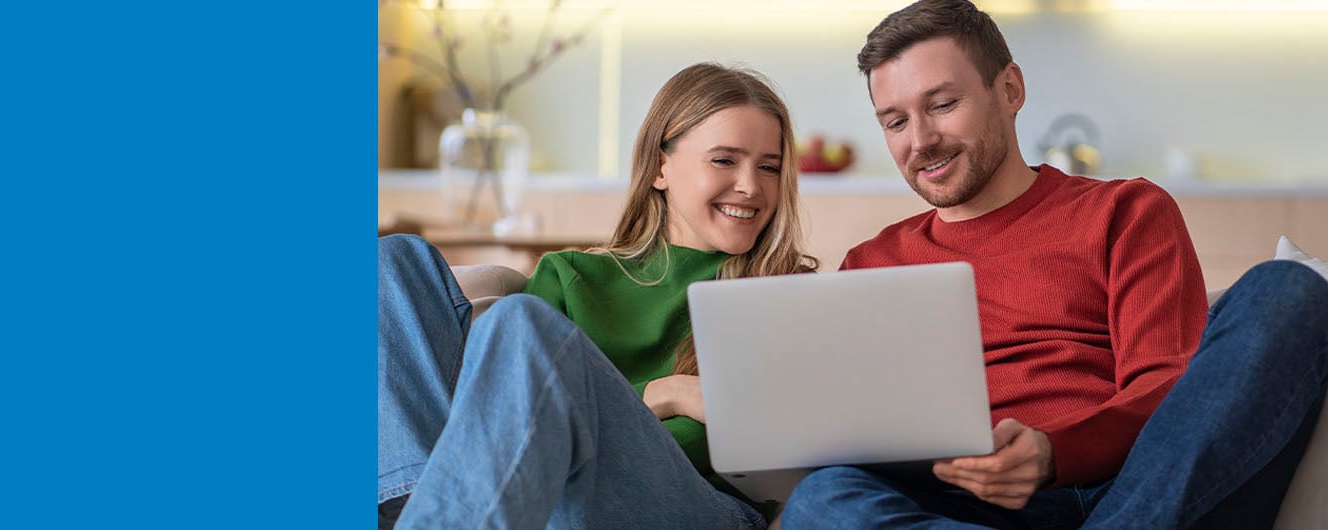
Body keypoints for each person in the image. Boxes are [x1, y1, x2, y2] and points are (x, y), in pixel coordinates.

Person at [778, 1, 1328, 528]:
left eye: (943, 105)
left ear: (1010, 89)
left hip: (1134, 487)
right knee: (822, 502)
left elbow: (1169, 388)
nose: (920, 141)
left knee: (1287, 291)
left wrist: (1051, 451)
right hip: (956, 505)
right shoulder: (871, 263)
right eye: (895, 122)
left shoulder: (1124, 210)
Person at [378, 62, 817, 529]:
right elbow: (502, 412)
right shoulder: (570, 274)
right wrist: (664, 394)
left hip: (700, 507)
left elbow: (754, 444)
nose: (751, 186)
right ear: (659, 167)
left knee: (522, 324)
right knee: (393, 257)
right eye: (724, 160)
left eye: (769, 167)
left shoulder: (782, 293)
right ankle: (422, 500)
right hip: (532, 495)